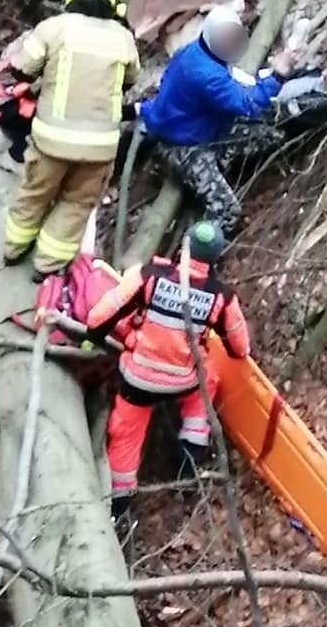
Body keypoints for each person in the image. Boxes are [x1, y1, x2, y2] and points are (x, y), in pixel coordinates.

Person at [86, 221, 251, 518]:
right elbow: (240, 348)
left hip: (138, 382)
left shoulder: (150, 275)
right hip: (183, 382)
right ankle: (189, 464)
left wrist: (98, 339)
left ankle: (118, 504)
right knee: (209, 379)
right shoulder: (221, 297)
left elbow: (99, 317)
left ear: (184, 248)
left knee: (126, 436)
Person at [3, 0, 141, 281]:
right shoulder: (123, 38)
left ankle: (13, 248)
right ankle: (46, 265)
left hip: (51, 140)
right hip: (100, 149)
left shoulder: (53, 29)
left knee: (34, 192)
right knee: (77, 204)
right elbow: (131, 79)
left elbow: (21, 67)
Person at [136, 7, 296, 234]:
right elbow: (246, 104)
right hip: (182, 146)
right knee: (227, 211)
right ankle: (194, 251)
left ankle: (219, 166)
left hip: (200, 129)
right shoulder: (205, 74)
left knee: (271, 136)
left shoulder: (193, 51)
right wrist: (278, 74)